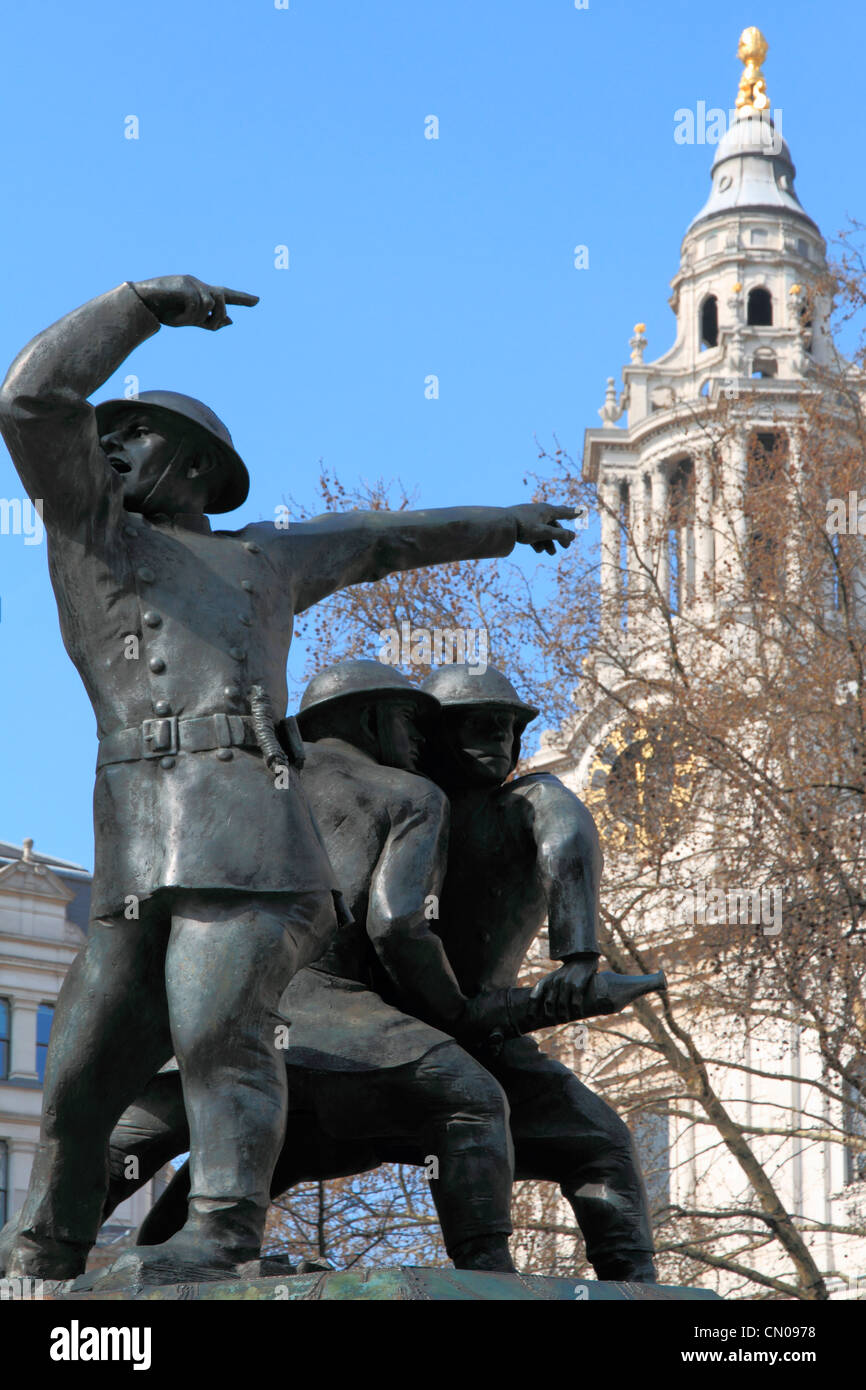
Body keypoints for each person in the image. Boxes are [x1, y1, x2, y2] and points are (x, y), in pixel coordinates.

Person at [0, 275, 576, 1283]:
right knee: (82, 1074)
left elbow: (388, 539)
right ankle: (41, 1253)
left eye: (135, 435)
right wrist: (140, 305)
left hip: (253, 840)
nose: (111, 448)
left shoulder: (266, 558)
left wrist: (503, 522)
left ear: (196, 465)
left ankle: (221, 1231)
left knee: (220, 1034)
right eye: (108, 435)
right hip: (138, 842)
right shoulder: (91, 534)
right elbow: (30, 400)